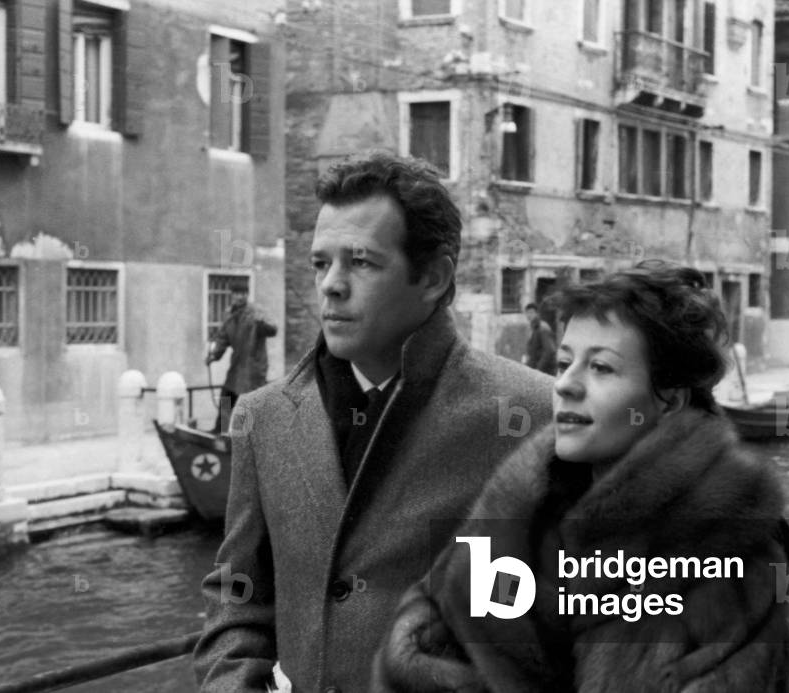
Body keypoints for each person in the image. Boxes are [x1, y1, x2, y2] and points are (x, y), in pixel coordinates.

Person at [193, 152, 553, 693]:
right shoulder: (261, 418)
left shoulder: (532, 417)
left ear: (431, 277)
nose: (331, 286)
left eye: (361, 262)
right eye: (320, 264)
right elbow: (237, 598)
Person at [375, 261, 789, 692]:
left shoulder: (731, 560)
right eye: (563, 363)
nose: (566, 386)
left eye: (601, 368)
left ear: (668, 400)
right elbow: (412, 652)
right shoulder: (512, 517)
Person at [205, 282, 278, 433]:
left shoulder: (255, 312)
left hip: (253, 369)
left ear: (247, 295)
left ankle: (253, 441)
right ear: (232, 295)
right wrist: (214, 355)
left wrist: (262, 322)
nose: (240, 296)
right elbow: (222, 339)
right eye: (237, 293)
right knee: (227, 396)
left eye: (243, 293)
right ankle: (220, 432)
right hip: (237, 366)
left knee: (250, 405)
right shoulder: (229, 315)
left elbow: (272, 330)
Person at [524, 302, 557, 375]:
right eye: (527, 313)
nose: (529, 315)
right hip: (535, 369)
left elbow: (550, 350)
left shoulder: (542, 327)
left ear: (537, 313)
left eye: (531, 312)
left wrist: (538, 369)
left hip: (545, 371)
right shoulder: (532, 328)